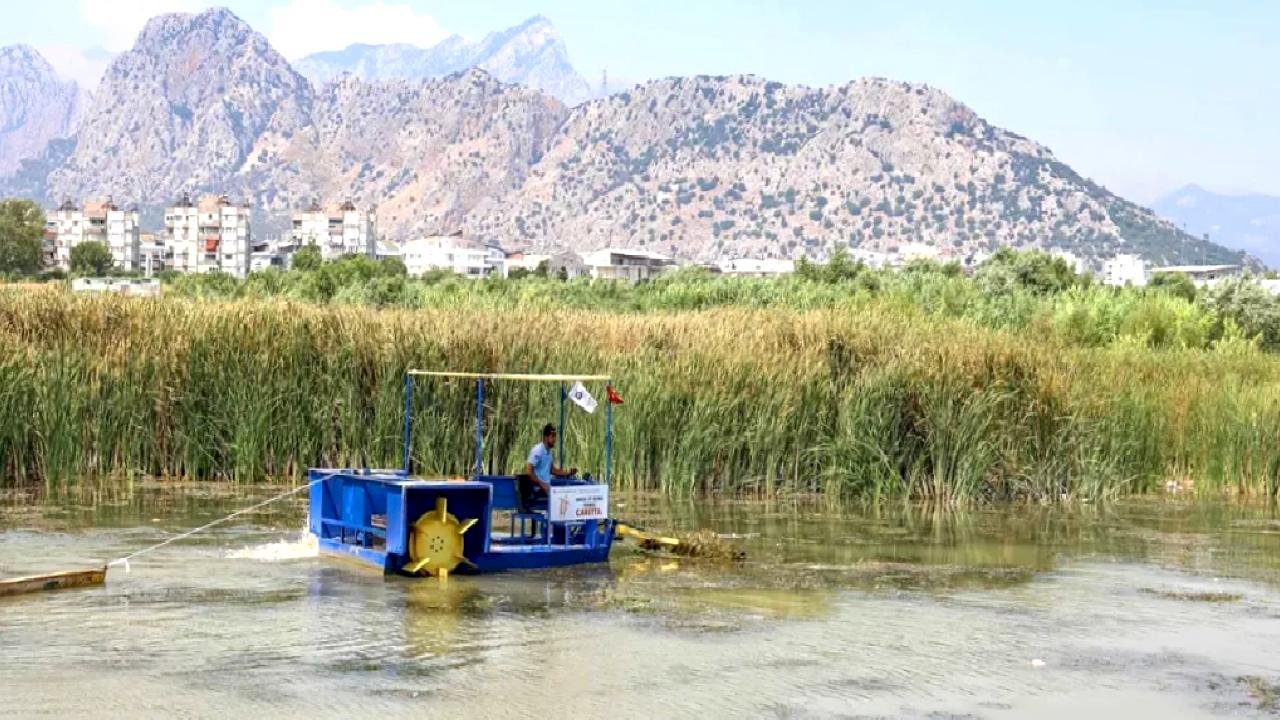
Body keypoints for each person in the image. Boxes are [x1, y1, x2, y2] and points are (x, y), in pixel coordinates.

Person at [524, 423, 577, 495]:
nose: (555, 439)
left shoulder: (548, 451)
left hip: (546, 489)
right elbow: (529, 472)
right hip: (537, 490)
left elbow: (553, 470)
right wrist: (542, 484)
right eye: (553, 436)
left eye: (555, 436)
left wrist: (569, 472)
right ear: (546, 437)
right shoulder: (538, 450)